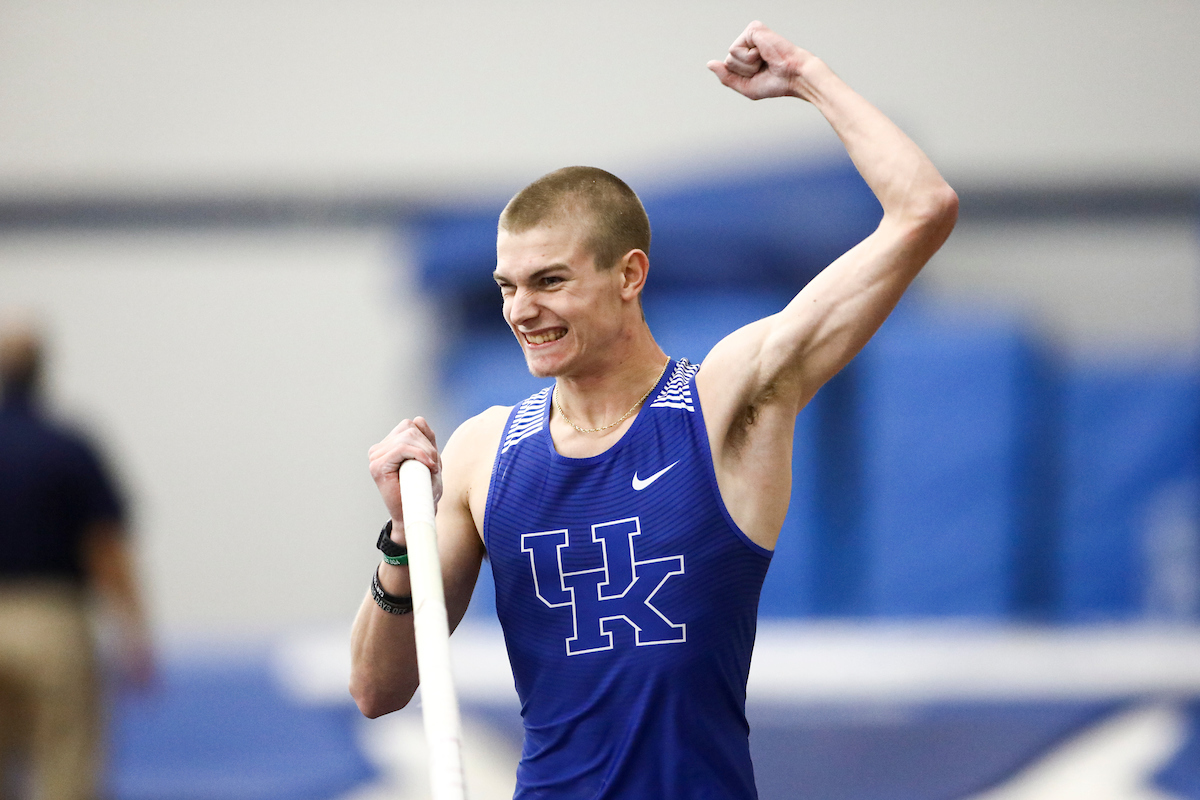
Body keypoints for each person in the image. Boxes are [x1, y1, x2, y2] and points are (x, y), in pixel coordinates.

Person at [351, 20, 957, 798]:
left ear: (629, 275)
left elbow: (923, 209)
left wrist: (809, 78)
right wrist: (401, 541)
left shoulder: (729, 400)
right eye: (507, 286)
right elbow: (378, 690)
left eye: (550, 281)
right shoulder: (486, 452)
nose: (521, 309)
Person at [0, 319, 153, 799]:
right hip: (53, 622)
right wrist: (135, 629)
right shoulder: (68, 447)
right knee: (66, 768)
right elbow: (104, 544)